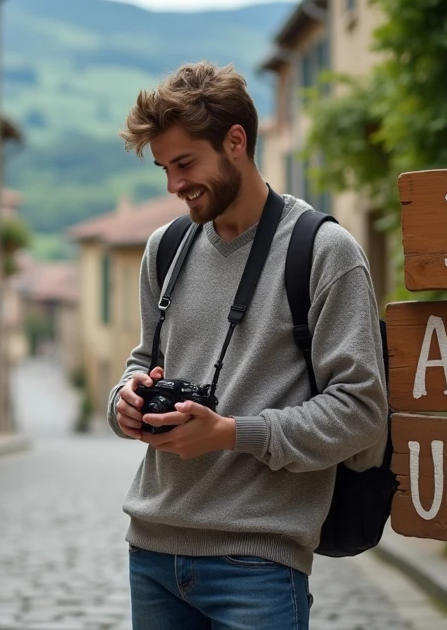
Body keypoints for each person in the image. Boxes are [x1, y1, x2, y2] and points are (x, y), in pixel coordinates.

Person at [107, 61, 389, 630]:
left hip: (258, 564)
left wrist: (232, 434)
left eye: (185, 163)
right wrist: (126, 398)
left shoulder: (325, 252)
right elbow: (147, 358)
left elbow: (362, 412)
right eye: (164, 168)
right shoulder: (165, 249)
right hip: (152, 553)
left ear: (236, 141)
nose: (173, 185)